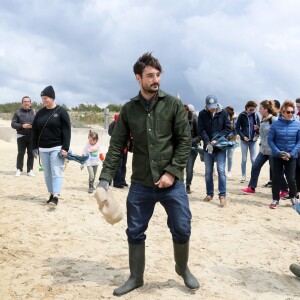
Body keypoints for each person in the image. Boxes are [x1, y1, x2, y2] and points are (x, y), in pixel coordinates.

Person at [96, 52, 199, 296]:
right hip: (141, 183)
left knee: (182, 227)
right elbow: (116, 146)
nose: (156, 80)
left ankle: (182, 268)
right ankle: (136, 277)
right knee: (134, 230)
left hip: (171, 184)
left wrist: (172, 173)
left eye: (158, 75)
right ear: (138, 78)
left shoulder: (173, 105)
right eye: (150, 76)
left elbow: (185, 142)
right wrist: (104, 178)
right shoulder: (129, 110)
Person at [32, 86, 71, 206]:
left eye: (46, 98)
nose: (44, 100)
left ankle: (56, 196)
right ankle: (51, 193)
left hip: (56, 147)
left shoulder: (61, 111)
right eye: (42, 98)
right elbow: (35, 130)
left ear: (52, 97)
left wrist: (65, 148)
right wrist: (34, 147)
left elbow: (67, 131)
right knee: (47, 173)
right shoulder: (40, 112)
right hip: (43, 148)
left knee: (56, 171)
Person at [240, 100, 289, 195]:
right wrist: (258, 130)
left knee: (276, 171)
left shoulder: (273, 119)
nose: (259, 110)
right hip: (263, 150)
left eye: (261, 109)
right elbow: (265, 135)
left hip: (272, 150)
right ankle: (251, 188)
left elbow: (281, 132)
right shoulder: (263, 119)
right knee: (255, 166)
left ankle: (285, 190)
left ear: (266, 109)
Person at [198, 95, 231, 206]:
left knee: (221, 170)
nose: (212, 108)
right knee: (208, 172)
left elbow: (227, 128)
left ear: (217, 104)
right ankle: (209, 194)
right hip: (208, 147)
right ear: (206, 105)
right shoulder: (202, 114)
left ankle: (222, 196)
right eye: (209, 106)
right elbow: (201, 130)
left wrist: (216, 139)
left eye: (213, 106)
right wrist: (208, 142)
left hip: (220, 146)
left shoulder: (224, 113)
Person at [268, 100, 300, 209]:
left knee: (291, 178)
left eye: (292, 112)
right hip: (277, 156)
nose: (290, 114)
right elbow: (270, 140)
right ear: (282, 111)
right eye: (288, 112)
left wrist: (291, 154)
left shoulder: (297, 125)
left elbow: (299, 142)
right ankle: (275, 199)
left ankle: (293, 197)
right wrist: (278, 152)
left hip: (291, 156)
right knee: (276, 178)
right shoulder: (275, 124)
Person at [11, 96, 36, 176]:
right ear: (22, 103)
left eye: (28, 101)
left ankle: (30, 170)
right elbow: (13, 124)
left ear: (30, 103)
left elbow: (39, 123)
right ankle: (19, 169)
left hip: (32, 136)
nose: (26, 103)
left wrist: (34, 126)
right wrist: (22, 126)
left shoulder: (35, 112)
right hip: (21, 136)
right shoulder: (17, 112)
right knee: (21, 153)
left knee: (31, 154)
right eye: (24, 101)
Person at [236, 101, 260, 183]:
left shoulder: (256, 116)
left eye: (254, 109)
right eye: (251, 109)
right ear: (247, 108)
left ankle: (253, 177)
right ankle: (243, 176)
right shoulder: (242, 115)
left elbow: (259, 129)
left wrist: (257, 130)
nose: (252, 111)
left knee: (253, 159)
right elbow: (237, 128)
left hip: (253, 141)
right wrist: (243, 137)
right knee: (244, 159)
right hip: (244, 141)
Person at [108, 113, 129, 188]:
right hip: (117, 148)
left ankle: (122, 180)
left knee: (123, 165)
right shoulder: (113, 124)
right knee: (118, 165)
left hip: (125, 148)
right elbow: (110, 133)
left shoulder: (126, 124)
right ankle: (117, 182)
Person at [185, 104, 201, 194]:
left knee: (189, 169)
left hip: (192, 148)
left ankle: (188, 185)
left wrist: (191, 141)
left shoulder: (194, 120)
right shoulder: (177, 121)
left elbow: (199, 135)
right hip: (180, 148)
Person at [225, 106, 237, 178]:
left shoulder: (235, 119)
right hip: (224, 140)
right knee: (223, 155)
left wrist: (228, 136)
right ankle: (222, 170)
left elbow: (236, 130)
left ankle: (229, 171)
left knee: (229, 156)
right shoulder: (223, 118)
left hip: (232, 140)